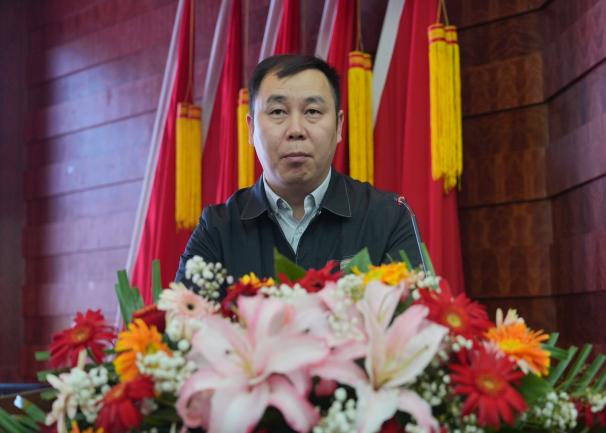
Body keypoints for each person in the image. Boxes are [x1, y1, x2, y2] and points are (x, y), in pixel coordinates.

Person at [175, 54, 422, 285]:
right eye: (278, 112)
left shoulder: (388, 218)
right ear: (251, 129)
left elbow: (414, 311)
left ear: (339, 126)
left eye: (312, 112)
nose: (295, 130)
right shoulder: (218, 230)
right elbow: (186, 314)